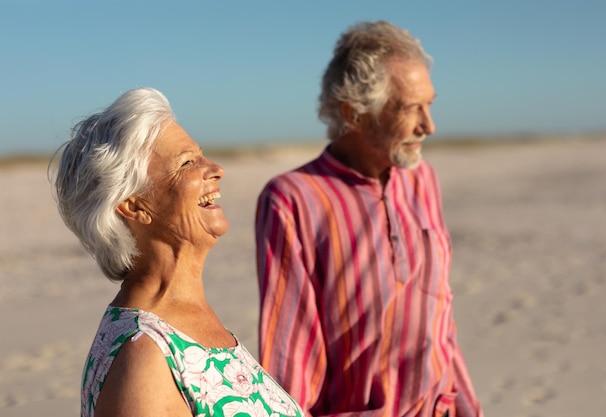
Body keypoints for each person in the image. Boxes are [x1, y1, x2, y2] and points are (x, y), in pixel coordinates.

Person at [255, 21, 483, 417]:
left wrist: (469, 407)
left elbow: (440, 321)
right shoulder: (292, 200)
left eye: (429, 104)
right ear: (354, 113)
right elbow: (291, 354)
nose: (429, 126)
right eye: (410, 108)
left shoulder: (423, 179)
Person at [51, 87, 305, 417]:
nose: (215, 169)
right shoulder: (144, 358)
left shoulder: (182, 316)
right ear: (133, 205)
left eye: (201, 155)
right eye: (187, 162)